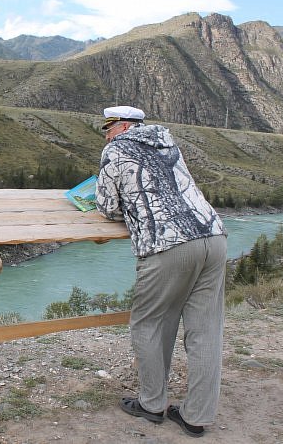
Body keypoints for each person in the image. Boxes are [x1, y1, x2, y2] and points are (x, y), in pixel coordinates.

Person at [95, 105, 228, 438]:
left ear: (122, 126)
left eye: (107, 128)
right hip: (213, 236)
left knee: (149, 322)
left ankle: (152, 403)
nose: (106, 134)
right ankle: (196, 416)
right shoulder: (168, 143)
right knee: (206, 331)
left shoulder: (115, 150)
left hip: (168, 243)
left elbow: (108, 208)